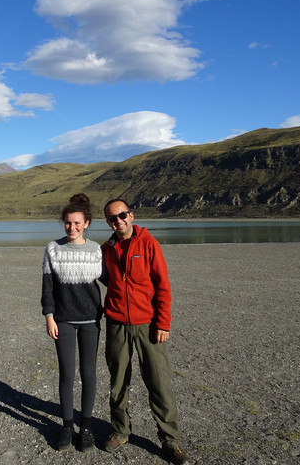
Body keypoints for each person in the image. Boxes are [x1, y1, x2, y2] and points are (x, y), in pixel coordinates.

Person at [100, 199, 191, 465]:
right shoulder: (108, 248)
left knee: (159, 382)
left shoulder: (148, 243)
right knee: (118, 382)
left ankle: (170, 441)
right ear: (108, 222)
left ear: (131, 215)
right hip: (117, 324)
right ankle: (119, 431)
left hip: (147, 325)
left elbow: (163, 286)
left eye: (122, 215)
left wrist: (163, 323)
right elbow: (107, 279)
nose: (118, 221)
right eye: (112, 218)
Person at [41, 193, 102, 452]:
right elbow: (47, 287)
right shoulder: (53, 249)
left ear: (86, 223)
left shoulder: (96, 249)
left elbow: (110, 280)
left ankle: (85, 428)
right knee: (67, 374)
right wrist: (49, 316)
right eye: (68, 223)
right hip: (63, 321)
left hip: (91, 321)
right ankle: (67, 426)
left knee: (88, 374)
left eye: (77, 223)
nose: (72, 228)